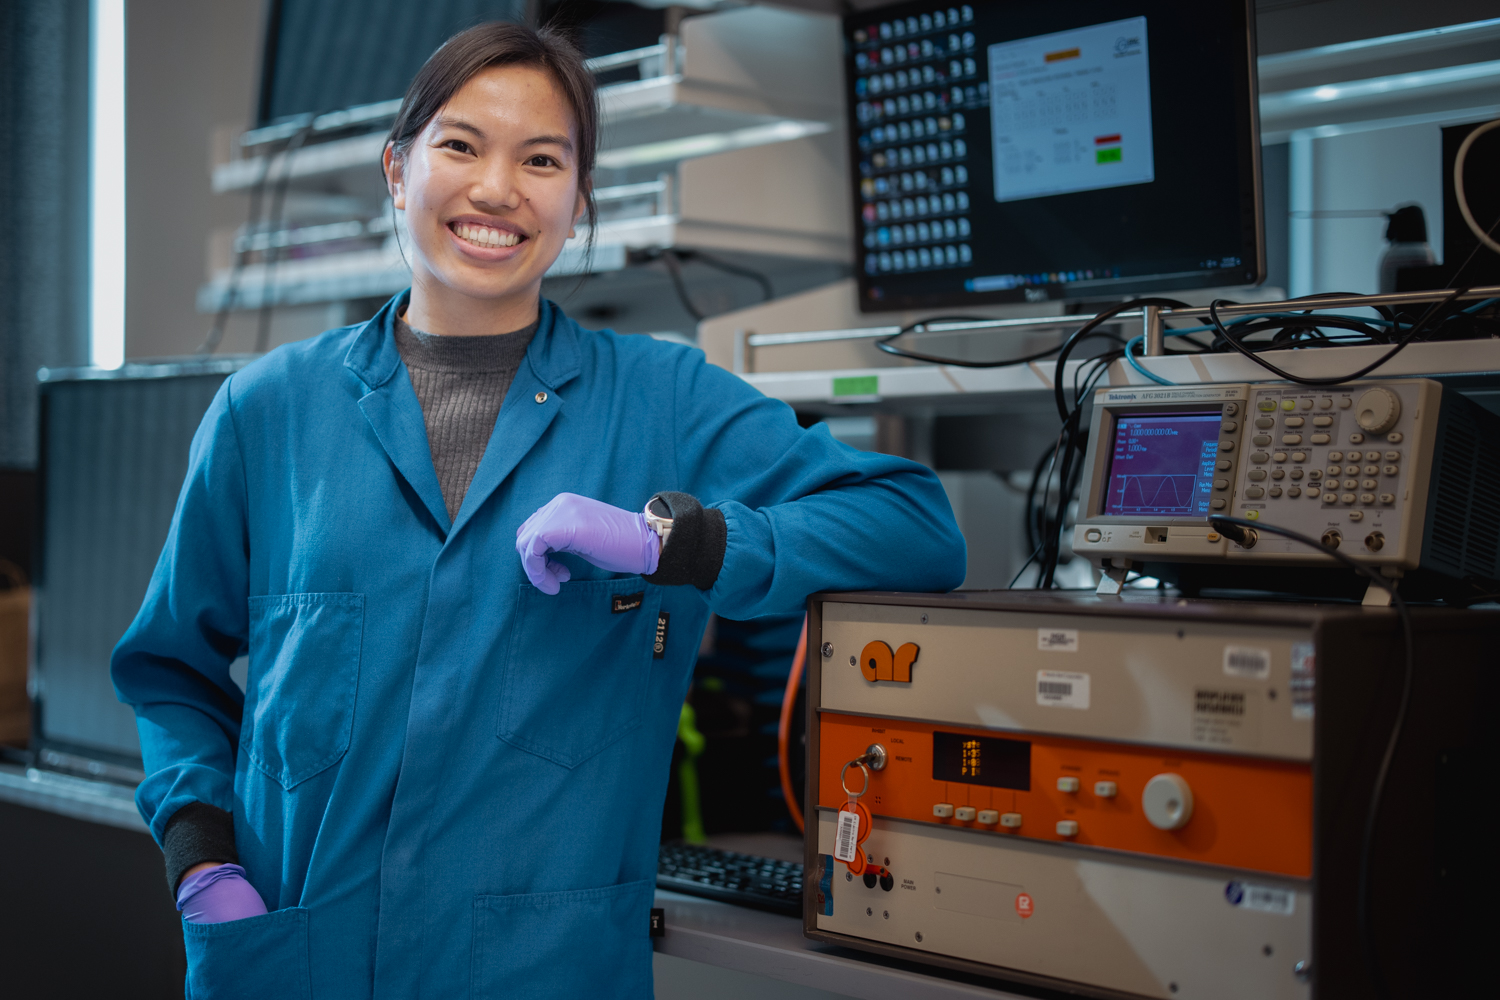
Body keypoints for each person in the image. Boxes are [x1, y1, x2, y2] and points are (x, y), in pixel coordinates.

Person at [112, 21, 965, 999]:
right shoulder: (268, 411)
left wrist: (674, 542)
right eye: (461, 145)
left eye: (542, 159)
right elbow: (167, 667)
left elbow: (915, 523)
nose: (497, 188)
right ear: (398, 170)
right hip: (301, 961)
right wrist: (203, 857)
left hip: (539, 971)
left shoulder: (665, 399)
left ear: (579, 201)